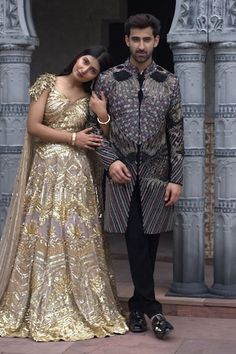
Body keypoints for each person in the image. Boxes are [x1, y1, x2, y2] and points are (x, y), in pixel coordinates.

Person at [0, 45, 128, 341]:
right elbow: (33, 127)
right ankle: (39, 303)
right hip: (47, 171)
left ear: (96, 76)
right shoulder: (48, 82)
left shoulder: (90, 100)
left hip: (78, 176)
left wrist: (102, 116)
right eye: (85, 61)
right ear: (77, 57)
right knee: (45, 231)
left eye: (93, 69)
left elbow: (99, 139)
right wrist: (73, 137)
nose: (85, 69)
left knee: (76, 234)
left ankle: (80, 302)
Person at [89, 14, 184, 339]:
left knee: (151, 240)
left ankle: (137, 308)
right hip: (122, 175)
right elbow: (94, 127)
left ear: (156, 41)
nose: (141, 45)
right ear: (127, 40)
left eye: (147, 39)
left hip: (158, 177)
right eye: (136, 39)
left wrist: (177, 178)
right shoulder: (108, 80)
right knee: (134, 241)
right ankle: (152, 310)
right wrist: (109, 161)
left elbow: (176, 131)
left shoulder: (169, 82)